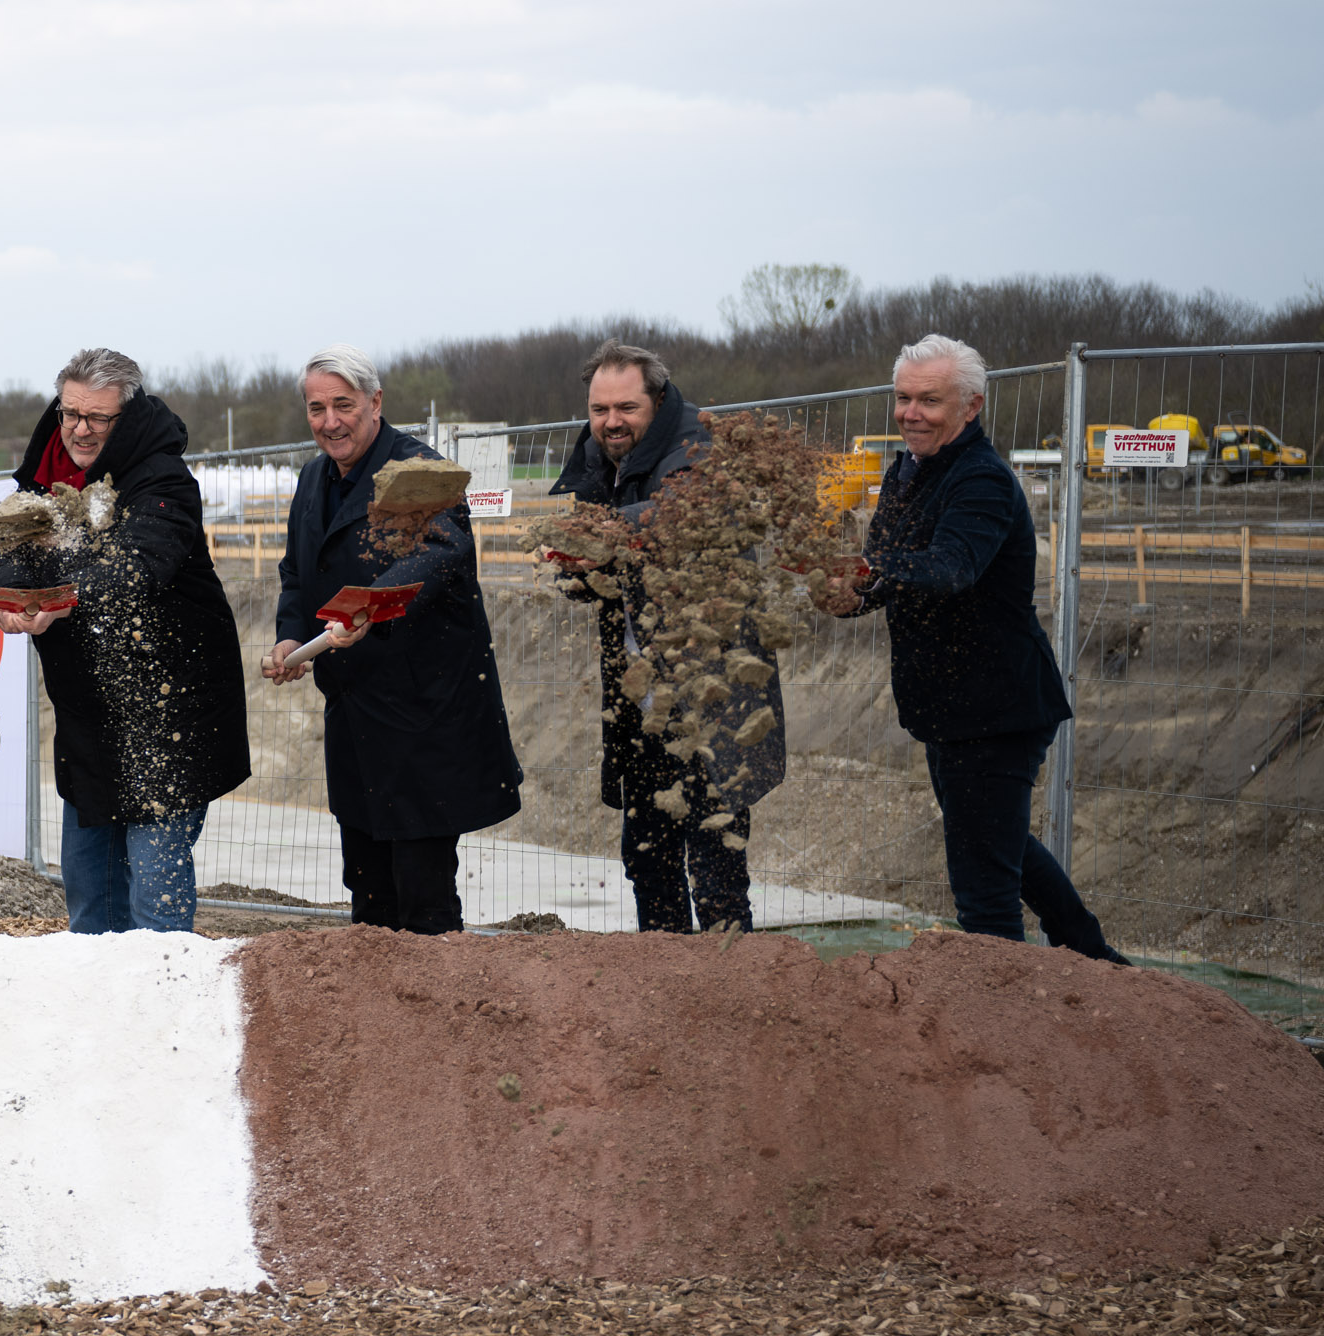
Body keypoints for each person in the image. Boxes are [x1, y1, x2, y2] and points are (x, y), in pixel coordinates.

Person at [818, 335, 1126, 962]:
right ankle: (1099, 962)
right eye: (903, 398)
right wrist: (852, 593)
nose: (912, 413)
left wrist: (867, 570)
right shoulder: (906, 471)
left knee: (983, 894)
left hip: (997, 706)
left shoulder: (982, 480)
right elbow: (890, 574)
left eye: (930, 400)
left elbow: (950, 567)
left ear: (971, 407)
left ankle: (1005, 1026)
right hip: (951, 709)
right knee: (1002, 846)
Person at [262, 346, 522, 934]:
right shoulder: (312, 479)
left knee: (423, 894)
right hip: (354, 716)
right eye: (317, 408)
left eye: (344, 405)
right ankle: (377, 1021)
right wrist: (288, 638)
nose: (330, 421)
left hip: (422, 717)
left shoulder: (416, 471)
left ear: (375, 403)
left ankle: (436, 1019)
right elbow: (295, 576)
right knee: (368, 891)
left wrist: (368, 608)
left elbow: (443, 552)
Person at [0, 348, 250, 932]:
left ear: (125, 417)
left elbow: (136, 568)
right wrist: (11, 599)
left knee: (154, 908)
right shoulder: (41, 479)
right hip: (89, 721)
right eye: (71, 413)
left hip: (168, 720)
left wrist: (51, 596)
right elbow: (5, 551)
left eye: (98, 418)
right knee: (90, 904)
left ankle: (166, 1006)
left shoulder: (162, 480)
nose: (81, 429)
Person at [548, 340, 785, 934]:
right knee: (647, 856)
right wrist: (578, 570)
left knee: (716, 856)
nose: (611, 422)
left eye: (625, 408)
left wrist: (597, 533)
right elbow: (588, 547)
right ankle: (665, 989)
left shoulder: (697, 444)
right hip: (641, 693)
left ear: (657, 398)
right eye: (599, 410)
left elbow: (679, 520)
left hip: (712, 692)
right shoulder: (597, 455)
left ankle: (732, 992)